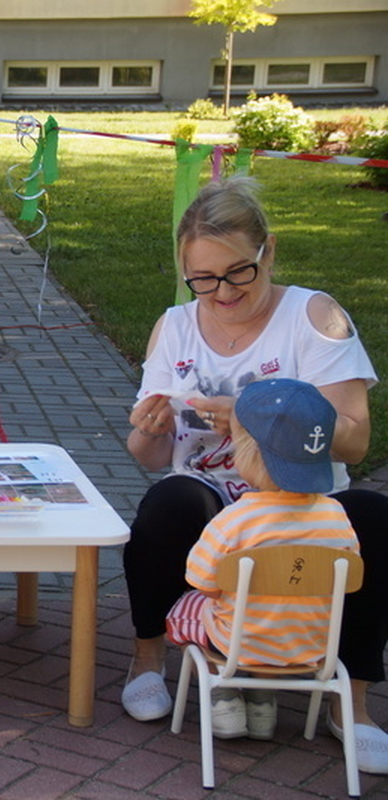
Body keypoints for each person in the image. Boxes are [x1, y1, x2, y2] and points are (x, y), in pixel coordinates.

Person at [121, 176, 388, 773]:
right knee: (167, 505)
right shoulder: (175, 325)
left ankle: (354, 702)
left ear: (268, 252)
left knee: (372, 518)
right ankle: (147, 660)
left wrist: (254, 415)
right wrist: (149, 427)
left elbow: (355, 438)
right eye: (203, 278)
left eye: (238, 272)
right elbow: (150, 458)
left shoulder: (314, 315)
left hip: (303, 497)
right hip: (211, 492)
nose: (222, 292)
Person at [164, 378, 358, 740]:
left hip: (238, 643)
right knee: (280, 613)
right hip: (311, 645)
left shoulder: (236, 520)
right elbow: (348, 579)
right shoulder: (336, 516)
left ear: (250, 455)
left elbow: (202, 581)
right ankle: (262, 702)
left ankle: (224, 697)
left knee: (185, 608)